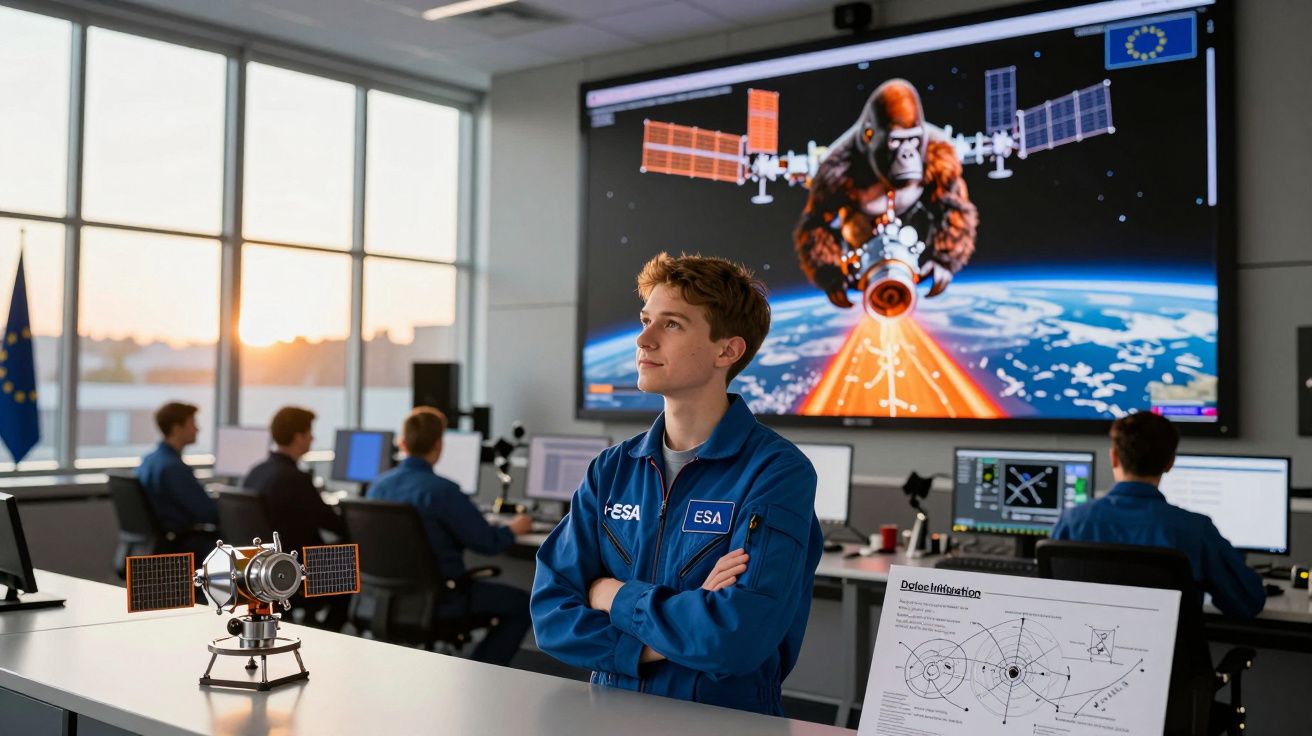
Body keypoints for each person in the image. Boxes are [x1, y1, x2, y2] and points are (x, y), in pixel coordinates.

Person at [531, 252, 823, 716]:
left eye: (671, 325)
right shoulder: (612, 469)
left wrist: (613, 595)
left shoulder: (777, 472)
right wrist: (661, 638)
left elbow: (735, 639)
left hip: (723, 722)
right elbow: (551, 615)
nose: (643, 340)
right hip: (610, 715)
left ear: (726, 351)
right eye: (646, 320)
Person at [1053, 411, 1265, 618]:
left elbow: (1052, 599)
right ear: (1170, 462)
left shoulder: (1072, 522)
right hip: (1172, 654)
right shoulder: (1195, 530)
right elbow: (1248, 601)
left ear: (1114, 458)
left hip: (1087, 650)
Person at [367, 406, 534, 666]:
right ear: (438, 445)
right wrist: (512, 529)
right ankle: (481, 672)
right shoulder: (442, 492)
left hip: (388, 599)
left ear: (403, 443)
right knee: (524, 605)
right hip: (443, 599)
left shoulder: (378, 486)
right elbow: (486, 542)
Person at [241, 406, 345, 555]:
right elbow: (332, 523)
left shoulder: (256, 471)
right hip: (299, 562)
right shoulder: (295, 479)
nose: (313, 438)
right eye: (309, 432)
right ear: (298, 437)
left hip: (269, 562)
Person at [136, 401, 219, 560]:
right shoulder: (173, 468)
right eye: (192, 423)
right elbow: (208, 513)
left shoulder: (149, 460)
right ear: (177, 428)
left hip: (161, 542)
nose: (197, 429)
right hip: (182, 545)